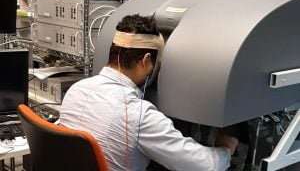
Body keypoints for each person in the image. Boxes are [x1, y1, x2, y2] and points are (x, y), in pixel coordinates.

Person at [59, 14, 238, 171]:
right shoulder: (140, 116)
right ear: (145, 61)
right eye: (156, 64)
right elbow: (206, 166)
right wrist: (226, 149)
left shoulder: (76, 90)